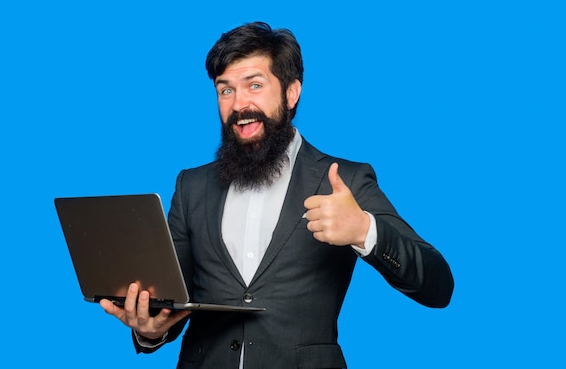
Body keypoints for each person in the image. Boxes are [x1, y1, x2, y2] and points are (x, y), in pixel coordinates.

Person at [100, 21, 454, 369]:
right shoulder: (191, 186)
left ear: (291, 92)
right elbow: (173, 301)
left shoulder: (343, 179)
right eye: (226, 90)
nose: (239, 105)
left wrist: (365, 230)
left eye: (254, 85)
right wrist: (149, 331)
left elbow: (438, 286)